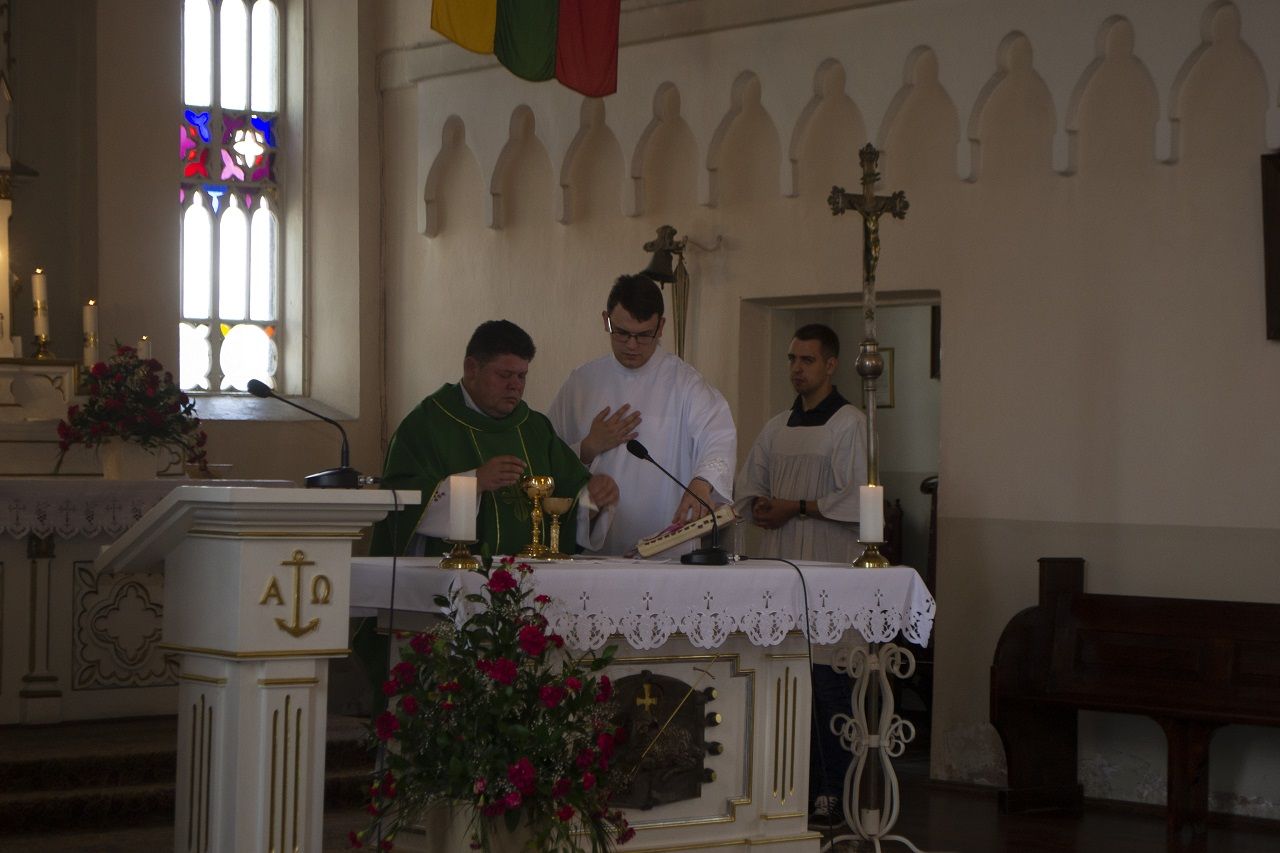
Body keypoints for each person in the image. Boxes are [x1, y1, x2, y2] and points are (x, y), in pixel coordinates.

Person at [733, 323, 867, 825]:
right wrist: (759, 505)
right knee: (784, 680)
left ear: (831, 365)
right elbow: (748, 486)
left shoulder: (850, 423)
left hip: (829, 568)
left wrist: (798, 506)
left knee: (828, 685)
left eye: (807, 360)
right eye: (792, 359)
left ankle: (834, 793)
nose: (796, 368)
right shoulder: (776, 426)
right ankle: (788, 789)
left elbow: (858, 499)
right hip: (779, 565)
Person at [371, 319, 619, 558]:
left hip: (533, 577)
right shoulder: (427, 424)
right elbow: (401, 505)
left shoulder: (534, 427)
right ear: (471, 369)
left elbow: (566, 498)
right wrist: (474, 482)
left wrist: (591, 501)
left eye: (521, 376)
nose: (515, 386)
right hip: (454, 575)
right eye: (504, 375)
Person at [547, 274, 736, 556]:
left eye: (644, 335)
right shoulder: (581, 384)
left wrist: (702, 482)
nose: (632, 345)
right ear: (606, 320)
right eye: (622, 332)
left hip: (668, 548)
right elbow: (546, 456)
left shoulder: (686, 384)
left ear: (661, 326)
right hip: (596, 551)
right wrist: (587, 448)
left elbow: (718, 438)